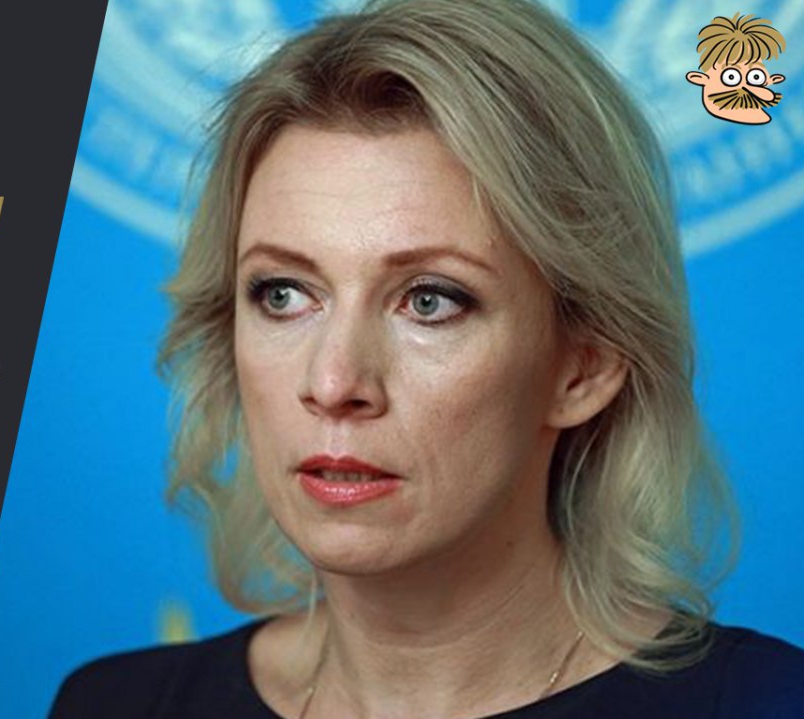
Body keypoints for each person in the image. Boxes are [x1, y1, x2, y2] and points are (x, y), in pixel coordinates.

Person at [50, 0, 804, 716]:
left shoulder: (766, 705)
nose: (333, 382)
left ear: (585, 365)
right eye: (284, 293)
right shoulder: (115, 707)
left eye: (430, 300)